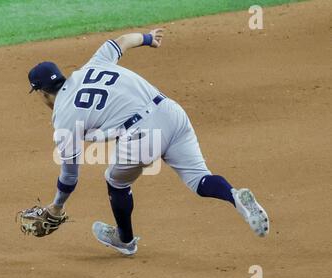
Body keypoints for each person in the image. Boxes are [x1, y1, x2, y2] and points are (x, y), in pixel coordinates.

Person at [24, 28, 269, 255]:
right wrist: (150, 38)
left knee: (115, 181)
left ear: (42, 93)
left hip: (143, 136)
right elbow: (123, 41)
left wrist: (56, 206)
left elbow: (69, 176)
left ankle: (125, 240)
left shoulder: (63, 117)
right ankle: (235, 197)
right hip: (171, 112)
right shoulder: (93, 64)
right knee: (200, 179)